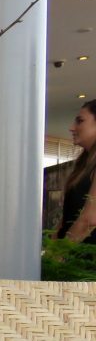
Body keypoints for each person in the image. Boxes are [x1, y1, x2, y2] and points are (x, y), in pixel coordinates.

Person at [57, 98, 96, 243]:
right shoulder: (83, 164)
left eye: (80, 121)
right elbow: (68, 218)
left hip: (85, 255)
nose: (72, 128)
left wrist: (58, 252)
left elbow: (89, 220)